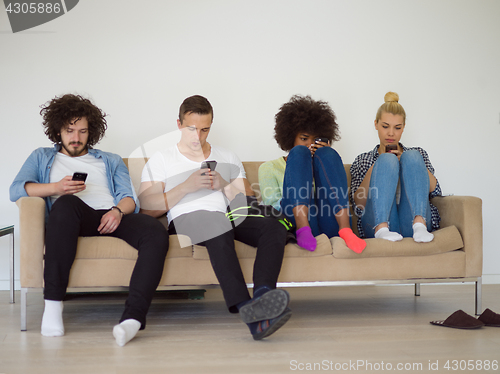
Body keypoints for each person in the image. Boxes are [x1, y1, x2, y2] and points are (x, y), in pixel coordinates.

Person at [9, 94, 169, 346]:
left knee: (154, 230)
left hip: (109, 215)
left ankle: (133, 319)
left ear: (91, 131)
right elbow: (17, 189)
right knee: (66, 203)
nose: (76, 137)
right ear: (57, 130)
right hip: (72, 215)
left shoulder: (111, 159)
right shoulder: (41, 156)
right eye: (69, 130)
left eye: (82, 131)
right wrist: (56, 188)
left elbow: (129, 198)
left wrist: (117, 211)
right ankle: (52, 306)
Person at [138, 95, 291, 341]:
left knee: (272, 227)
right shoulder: (162, 159)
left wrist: (223, 184)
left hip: (228, 214)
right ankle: (248, 311)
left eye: (205, 129)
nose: (198, 136)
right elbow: (147, 208)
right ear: (179, 124)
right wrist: (186, 187)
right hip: (187, 219)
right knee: (216, 225)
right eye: (191, 129)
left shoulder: (227, 156)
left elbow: (248, 201)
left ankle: (263, 295)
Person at [258, 95, 366, 253]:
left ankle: (346, 230)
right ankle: (303, 229)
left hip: (328, 220)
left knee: (328, 155)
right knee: (300, 154)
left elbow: (337, 193)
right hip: (293, 219)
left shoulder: (323, 159)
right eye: (304, 138)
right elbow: (274, 208)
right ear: (290, 137)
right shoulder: (269, 168)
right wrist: (301, 167)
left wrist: (323, 159)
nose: (310, 144)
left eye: (315, 139)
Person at [349, 92, 441, 242]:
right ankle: (382, 228)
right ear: (376, 124)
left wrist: (408, 161)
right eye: (385, 126)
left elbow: (435, 191)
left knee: (412, 155)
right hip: (376, 222)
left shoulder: (418, 155)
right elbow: (358, 204)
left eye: (397, 128)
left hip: (411, 222)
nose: (391, 133)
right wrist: (379, 165)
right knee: (387, 160)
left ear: (404, 128)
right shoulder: (363, 160)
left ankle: (419, 224)